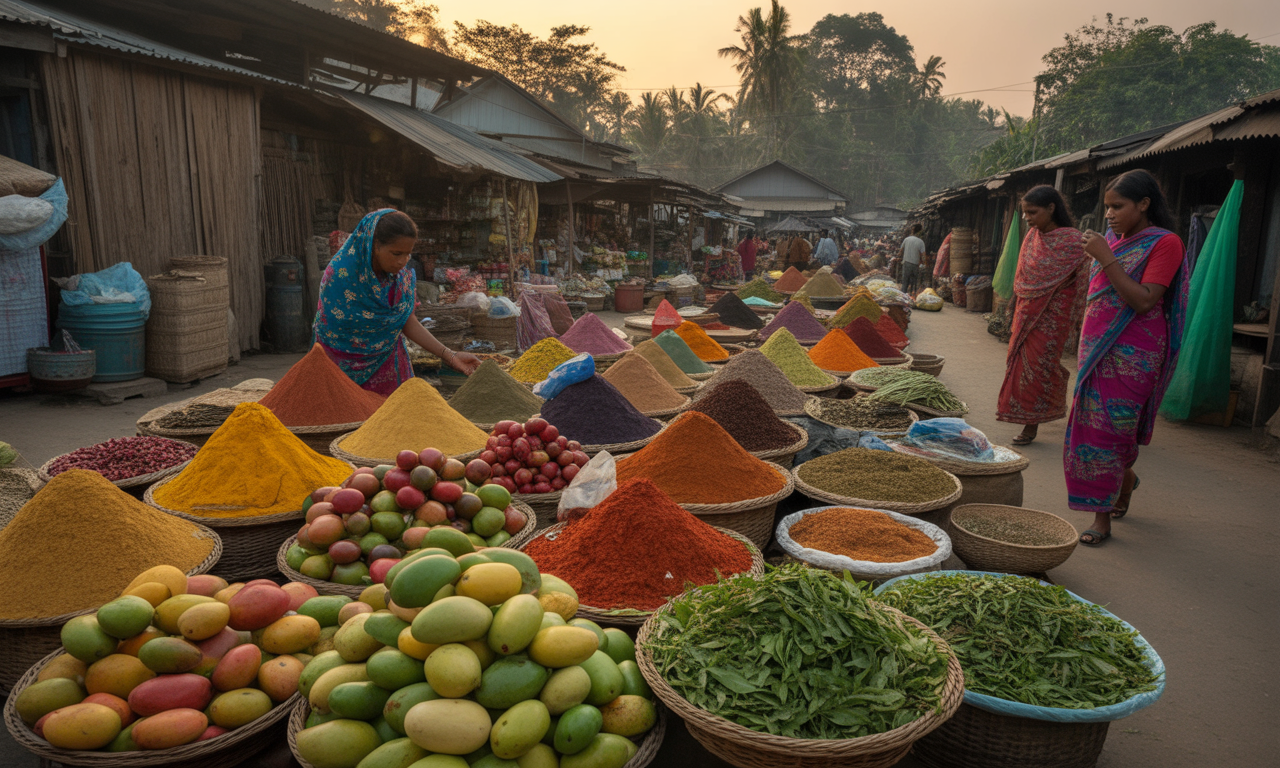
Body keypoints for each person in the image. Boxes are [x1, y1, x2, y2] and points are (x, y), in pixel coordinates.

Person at [1066, 170, 1189, 546]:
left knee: (1112, 429)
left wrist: (1105, 258)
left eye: (1118, 206)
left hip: (1136, 353)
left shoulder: (1165, 244)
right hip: (1097, 351)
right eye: (1107, 207)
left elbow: (1144, 299)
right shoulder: (1116, 243)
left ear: (1144, 204)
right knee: (1097, 426)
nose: (1110, 215)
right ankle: (1126, 480)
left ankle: (1101, 518)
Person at [314, 209, 480, 395]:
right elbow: (334, 330)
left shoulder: (399, 280)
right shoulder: (340, 276)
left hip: (387, 366)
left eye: (408, 254)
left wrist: (451, 355)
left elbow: (407, 322)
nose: (403, 261)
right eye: (396, 253)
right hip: (339, 369)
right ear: (374, 245)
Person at [996, 186, 1088, 446]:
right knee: (1020, 365)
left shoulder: (1073, 241)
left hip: (1053, 316)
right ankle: (1027, 415)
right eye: (1025, 213)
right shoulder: (1032, 237)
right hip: (1026, 312)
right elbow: (1024, 275)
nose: (1027, 218)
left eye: (1032, 212)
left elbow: (1081, 279)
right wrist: (1016, 302)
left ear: (1051, 208)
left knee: (1039, 368)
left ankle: (1030, 424)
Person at [900, 224, 926, 294]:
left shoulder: (906, 239)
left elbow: (900, 251)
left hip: (906, 263)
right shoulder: (921, 242)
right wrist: (924, 264)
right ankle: (912, 295)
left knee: (905, 282)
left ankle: (903, 296)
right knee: (914, 283)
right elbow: (923, 255)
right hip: (915, 264)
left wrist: (901, 258)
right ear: (920, 231)